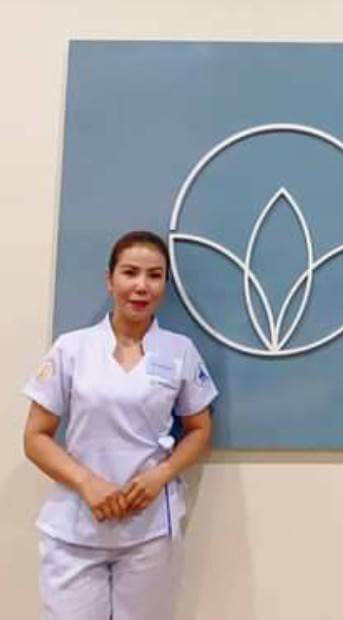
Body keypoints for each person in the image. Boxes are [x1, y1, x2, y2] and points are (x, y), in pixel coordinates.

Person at [22, 230, 218, 620]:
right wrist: (87, 484)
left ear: (165, 284)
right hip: (76, 525)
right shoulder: (71, 348)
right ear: (109, 279)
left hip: (149, 527)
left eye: (155, 275)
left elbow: (200, 429)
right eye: (130, 273)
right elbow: (35, 437)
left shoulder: (179, 351)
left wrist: (160, 476)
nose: (142, 286)